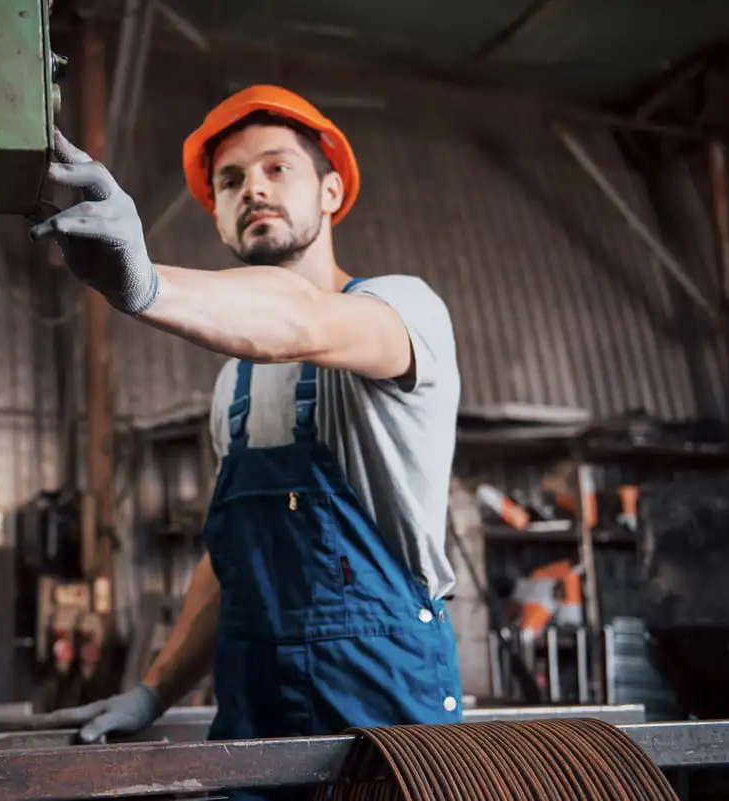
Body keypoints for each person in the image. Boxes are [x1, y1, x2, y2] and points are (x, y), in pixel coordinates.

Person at [32, 85, 462, 745]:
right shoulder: (233, 381)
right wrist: (154, 690)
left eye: (276, 167)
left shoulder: (404, 311)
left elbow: (304, 319)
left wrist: (147, 283)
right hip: (253, 728)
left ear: (330, 191)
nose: (251, 189)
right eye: (229, 181)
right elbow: (231, 560)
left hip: (388, 724)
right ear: (220, 216)